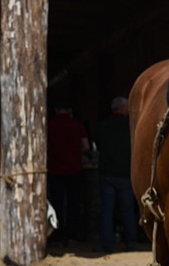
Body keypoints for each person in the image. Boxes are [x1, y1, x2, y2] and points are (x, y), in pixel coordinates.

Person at [95, 96, 139, 252]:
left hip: (107, 173)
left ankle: (107, 243)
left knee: (107, 210)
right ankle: (131, 242)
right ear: (122, 108)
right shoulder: (131, 127)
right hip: (125, 174)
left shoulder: (101, 126)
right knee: (127, 210)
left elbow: (97, 147)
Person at [48, 101, 90, 245]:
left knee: (57, 203)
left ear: (56, 109)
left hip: (55, 169)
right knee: (74, 204)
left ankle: (58, 233)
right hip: (74, 169)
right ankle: (73, 233)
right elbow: (86, 146)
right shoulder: (77, 125)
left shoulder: (50, 125)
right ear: (70, 109)